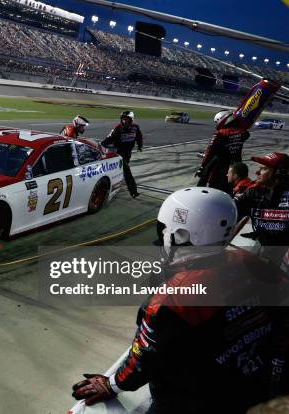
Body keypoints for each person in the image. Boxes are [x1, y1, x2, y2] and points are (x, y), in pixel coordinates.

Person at [71, 187, 289, 413]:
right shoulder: (250, 261)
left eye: (164, 229)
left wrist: (110, 384)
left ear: (181, 234)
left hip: (195, 401)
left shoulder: (171, 301)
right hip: (255, 385)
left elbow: (143, 361)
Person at [235, 152, 289, 247]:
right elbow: (233, 210)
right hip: (263, 246)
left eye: (263, 169)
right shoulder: (253, 192)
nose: (257, 172)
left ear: (279, 173)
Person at [196, 110, 250, 193]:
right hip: (236, 166)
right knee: (230, 190)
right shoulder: (244, 133)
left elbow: (209, 152)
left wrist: (202, 166)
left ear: (221, 119)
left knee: (213, 189)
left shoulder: (220, 133)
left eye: (216, 122)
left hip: (219, 167)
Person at [101, 111, 142, 198]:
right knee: (127, 171)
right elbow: (110, 138)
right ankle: (133, 191)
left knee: (122, 170)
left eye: (126, 119)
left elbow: (139, 137)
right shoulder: (118, 128)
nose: (124, 121)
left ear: (131, 120)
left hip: (128, 152)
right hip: (119, 153)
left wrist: (140, 146)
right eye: (123, 119)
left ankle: (113, 184)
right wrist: (102, 144)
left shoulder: (136, 127)